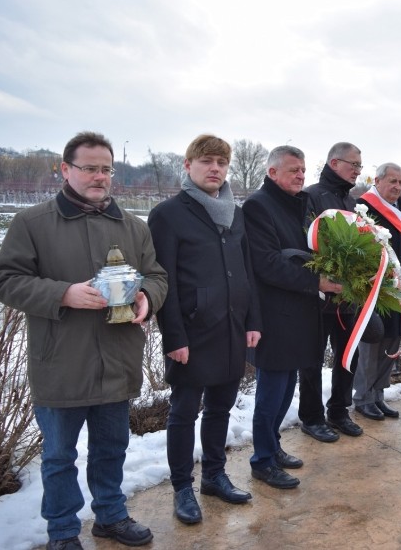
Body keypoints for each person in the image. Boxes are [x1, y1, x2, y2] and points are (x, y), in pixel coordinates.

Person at [0, 131, 167, 550]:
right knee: (58, 458)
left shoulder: (132, 227)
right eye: (89, 168)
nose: (99, 176)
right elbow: (5, 280)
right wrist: (62, 294)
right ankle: (63, 531)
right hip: (61, 363)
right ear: (65, 170)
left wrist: (147, 298)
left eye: (106, 169)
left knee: (111, 449)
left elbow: (156, 275)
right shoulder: (32, 223)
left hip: (117, 359)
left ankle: (110, 515)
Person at [147, 135, 261, 524]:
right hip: (193, 332)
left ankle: (214, 475)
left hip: (231, 327)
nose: (216, 168)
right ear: (188, 165)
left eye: (222, 163)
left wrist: (253, 321)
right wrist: (173, 337)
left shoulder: (235, 212)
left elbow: (247, 272)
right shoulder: (168, 214)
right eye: (207, 161)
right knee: (183, 413)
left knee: (220, 408)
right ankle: (182, 487)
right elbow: (166, 281)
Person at [243, 145, 342, 489]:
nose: (300, 175)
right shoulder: (258, 206)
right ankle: (262, 461)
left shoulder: (300, 204)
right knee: (270, 394)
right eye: (292, 170)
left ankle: (273, 447)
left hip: (301, 314)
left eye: (302, 170)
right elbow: (267, 264)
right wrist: (318, 281)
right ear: (272, 173)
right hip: (275, 315)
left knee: (286, 390)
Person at [300, 141, 364, 438]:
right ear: (335, 163)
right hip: (320, 296)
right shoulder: (311, 196)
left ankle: (339, 411)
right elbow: (307, 242)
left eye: (359, 166)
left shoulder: (351, 201)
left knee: (348, 356)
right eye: (353, 165)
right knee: (312, 359)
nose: (357, 171)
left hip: (348, 297)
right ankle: (312, 418)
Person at [353, 163, 401, 420]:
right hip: (375, 290)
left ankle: (378, 395)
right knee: (372, 345)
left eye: (400, 182)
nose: (397, 187)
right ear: (377, 181)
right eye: (392, 181)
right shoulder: (362, 207)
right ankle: (362, 398)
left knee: (393, 343)